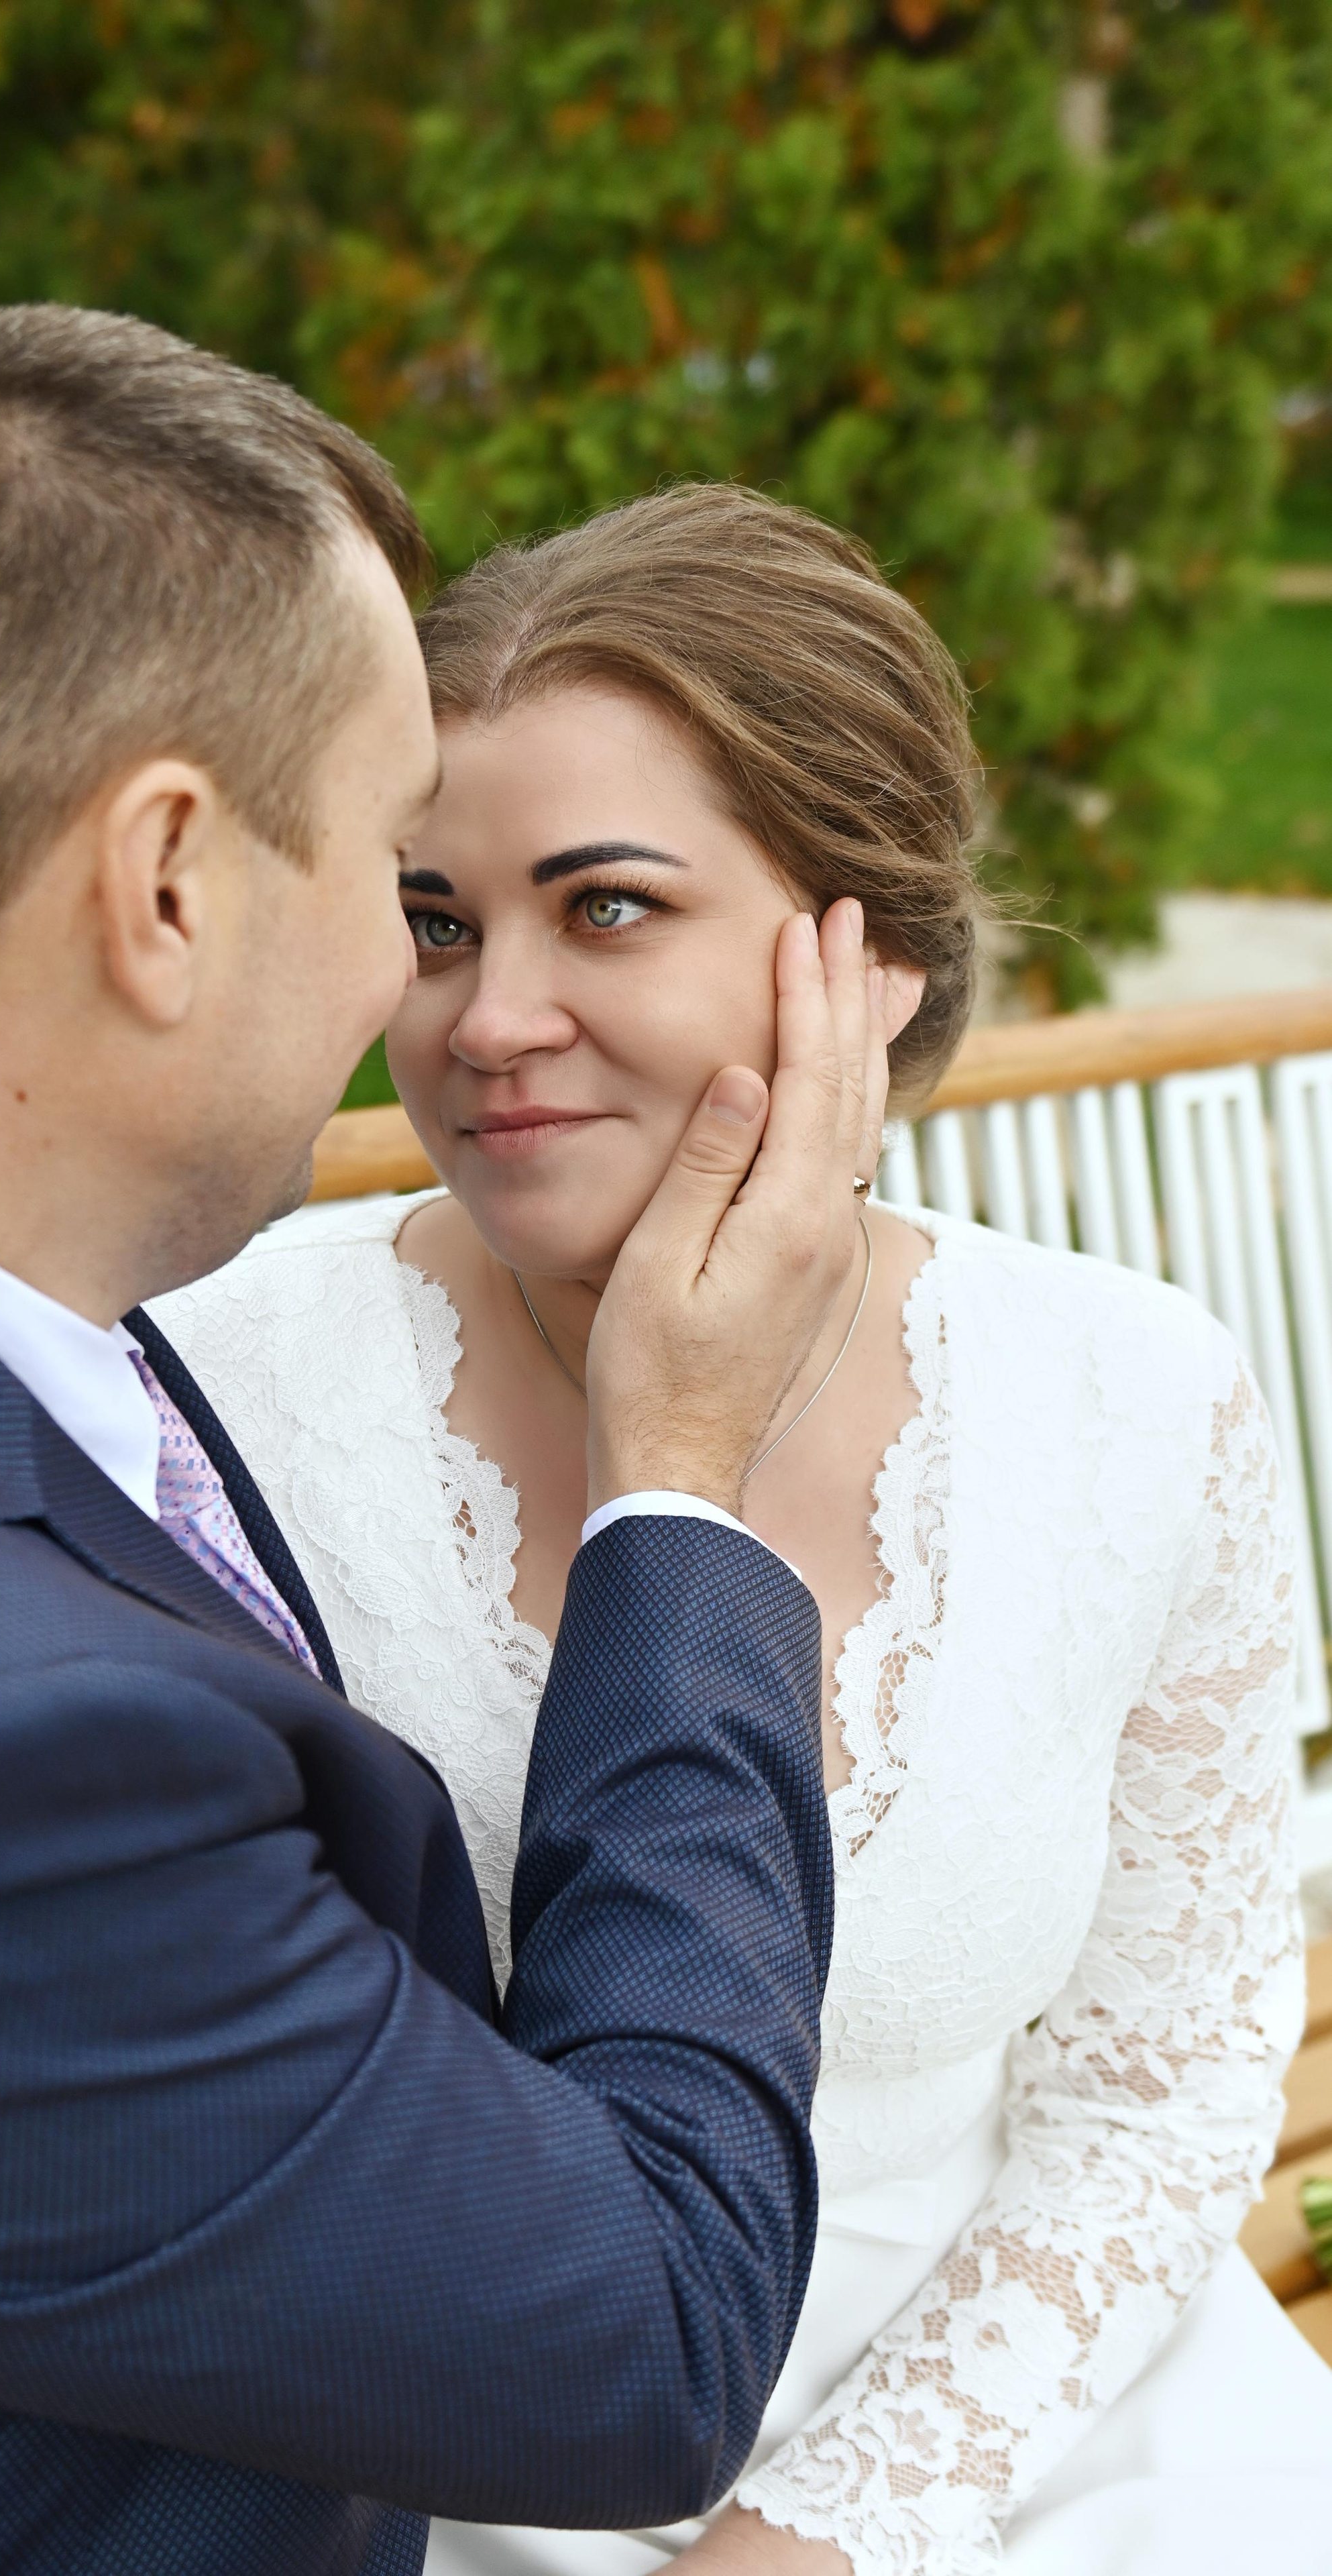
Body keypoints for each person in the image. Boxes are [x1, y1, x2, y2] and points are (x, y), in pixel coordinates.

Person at [0, 316, 880, 2575]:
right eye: (403, 870)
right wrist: (682, 1481)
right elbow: (651, 2342)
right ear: (171, 884)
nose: (445, 1011)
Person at [155, 483, 1332, 2576]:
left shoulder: (1138, 1402)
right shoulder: (208, 1404)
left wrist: (825, 2532)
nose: (488, 1018)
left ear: (861, 954)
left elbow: (1158, 2097)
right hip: (433, 2473)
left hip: (1032, 2424)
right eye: (436, 920)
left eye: (603, 906)